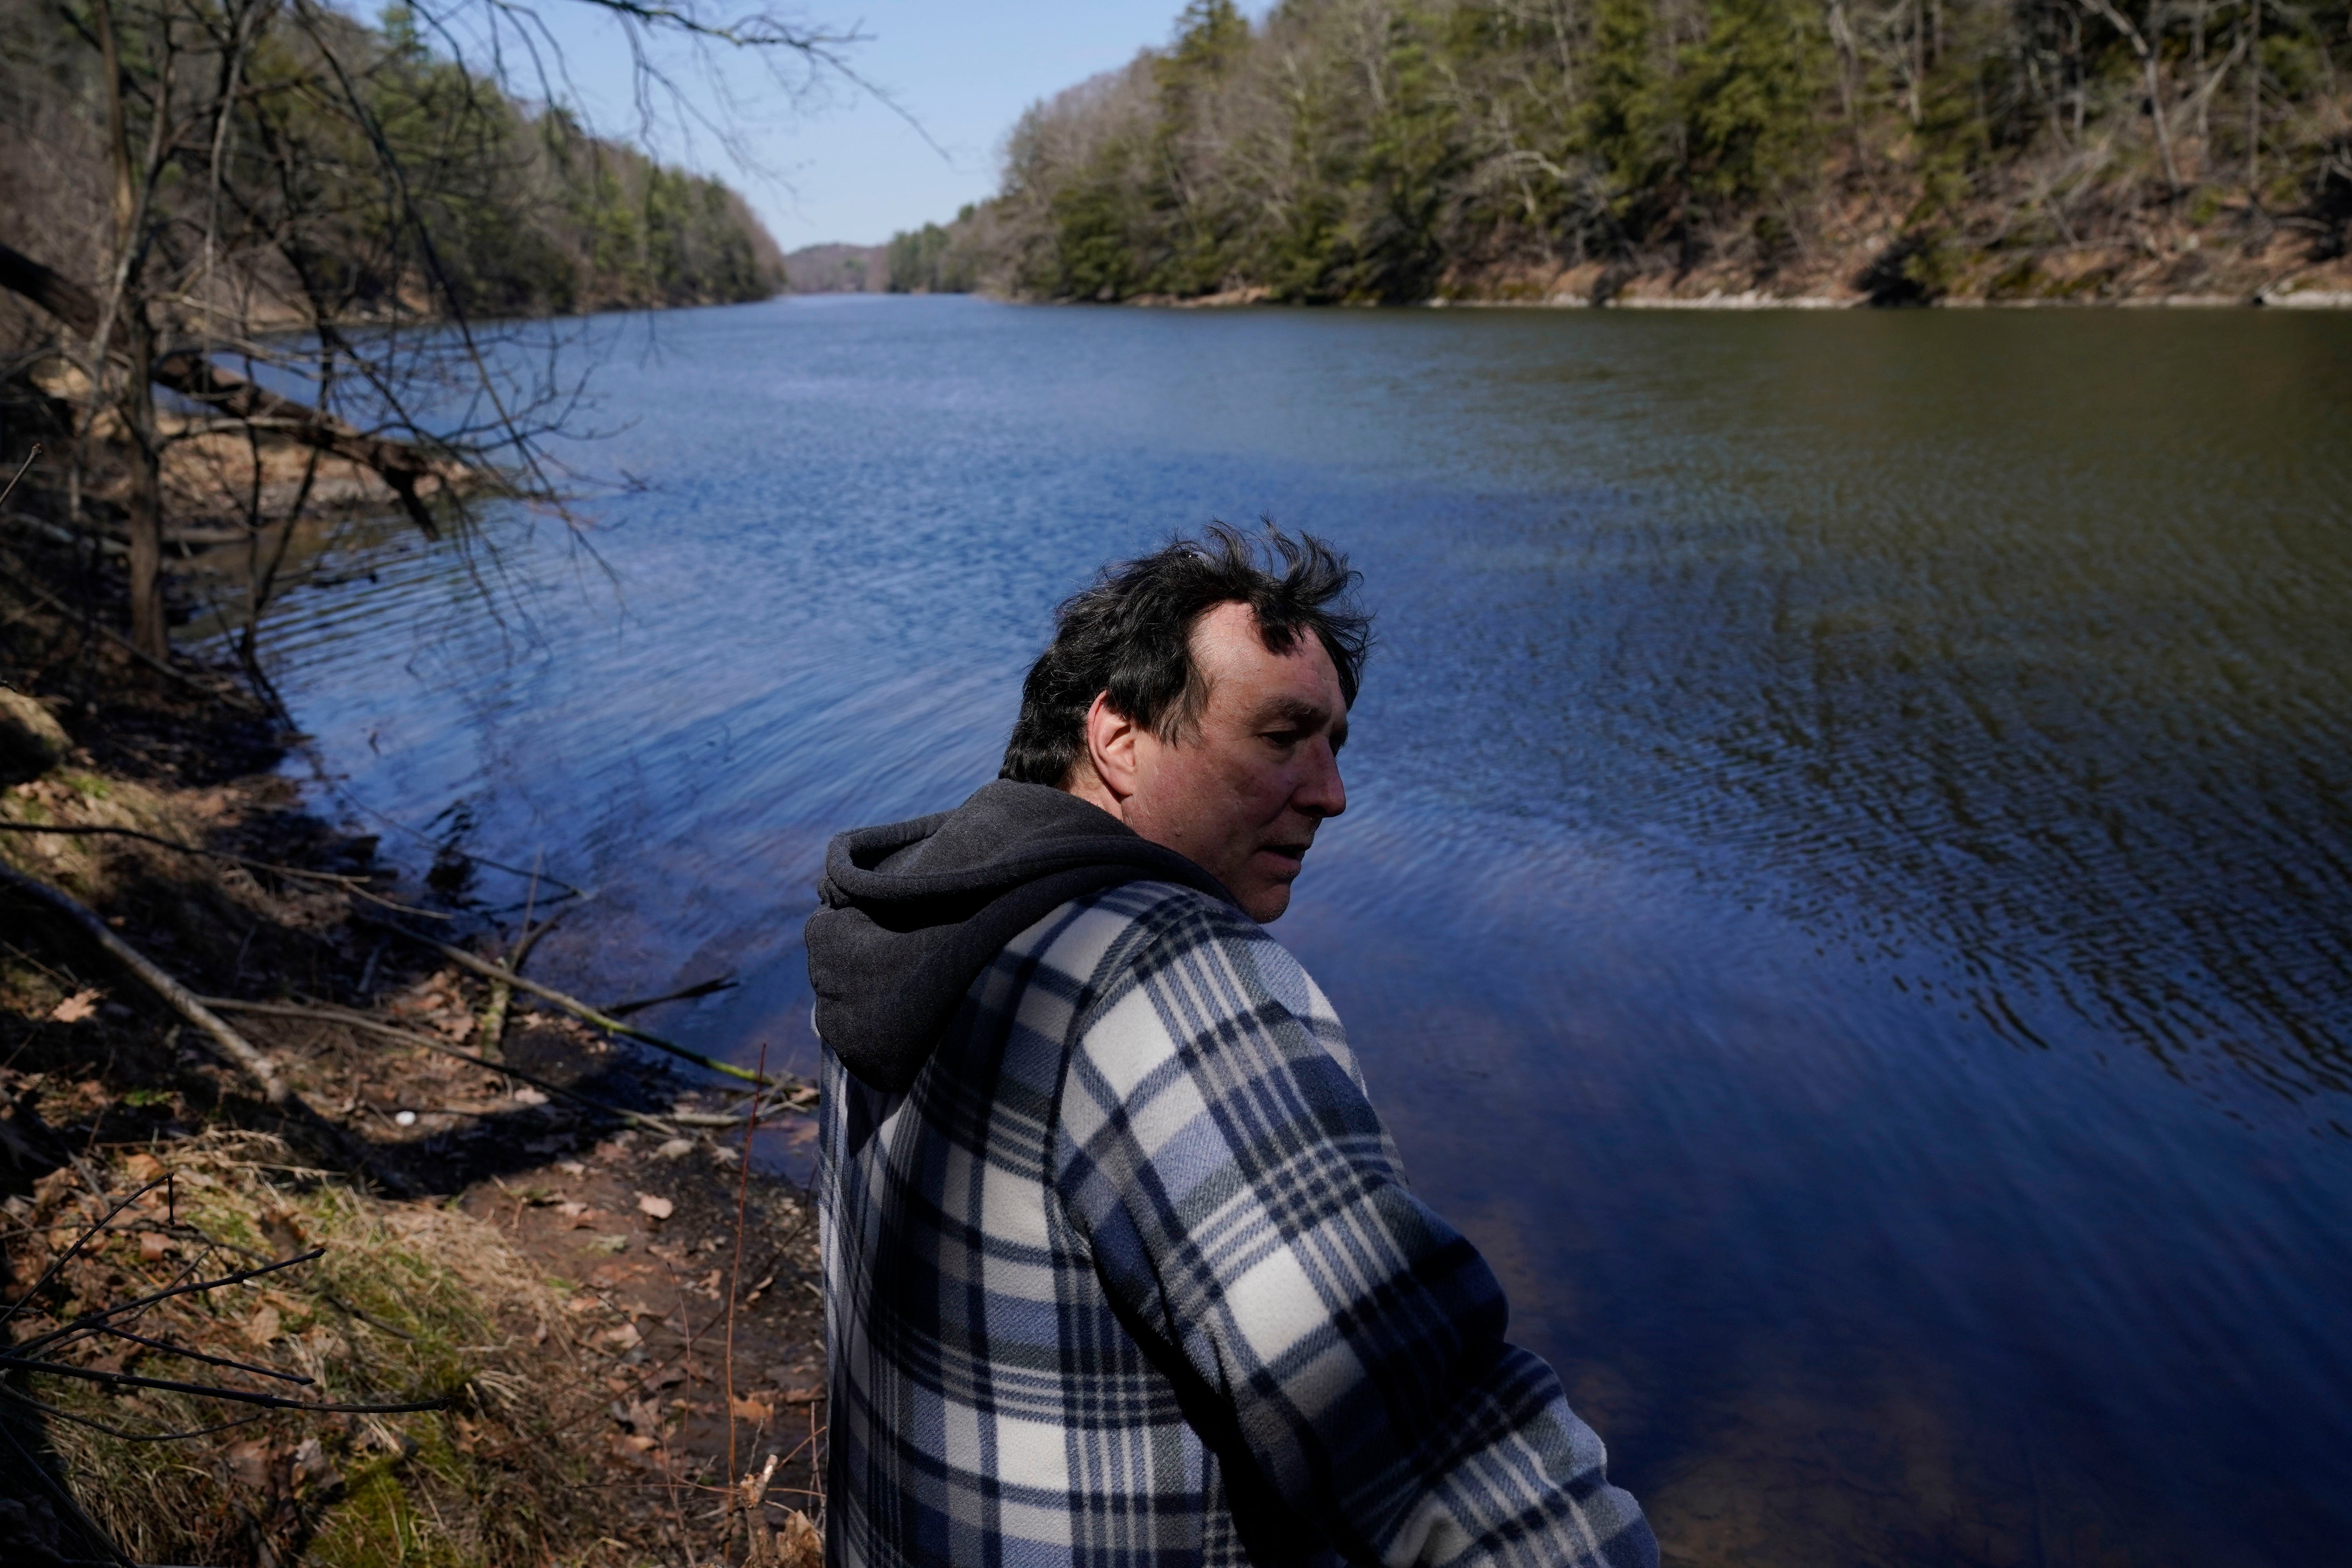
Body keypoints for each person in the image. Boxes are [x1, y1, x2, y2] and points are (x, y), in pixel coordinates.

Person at [804, 524, 1655, 1568]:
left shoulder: (914, 933)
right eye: (1282, 736)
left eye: (1335, 744)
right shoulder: (1156, 975)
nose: (1331, 792)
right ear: (1119, 737)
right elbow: (1428, 1429)